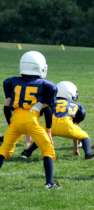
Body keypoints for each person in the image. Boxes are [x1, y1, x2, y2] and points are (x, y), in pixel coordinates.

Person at [0, 51, 60, 189]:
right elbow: (48, 108)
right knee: (47, 150)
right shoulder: (47, 85)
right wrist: (48, 130)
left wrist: (11, 124)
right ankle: (50, 183)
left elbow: (6, 107)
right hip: (31, 119)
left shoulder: (10, 81)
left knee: (4, 150)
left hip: (15, 118)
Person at [20, 81, 94, 160]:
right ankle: (88, 155)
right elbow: (75, 124)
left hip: (50, 125)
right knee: (85, 136)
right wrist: (76, 148)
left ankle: (27, 153)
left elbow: (37, 112)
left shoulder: (50, 101)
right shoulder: (77, 105)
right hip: (66, 125)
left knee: (42, 138)